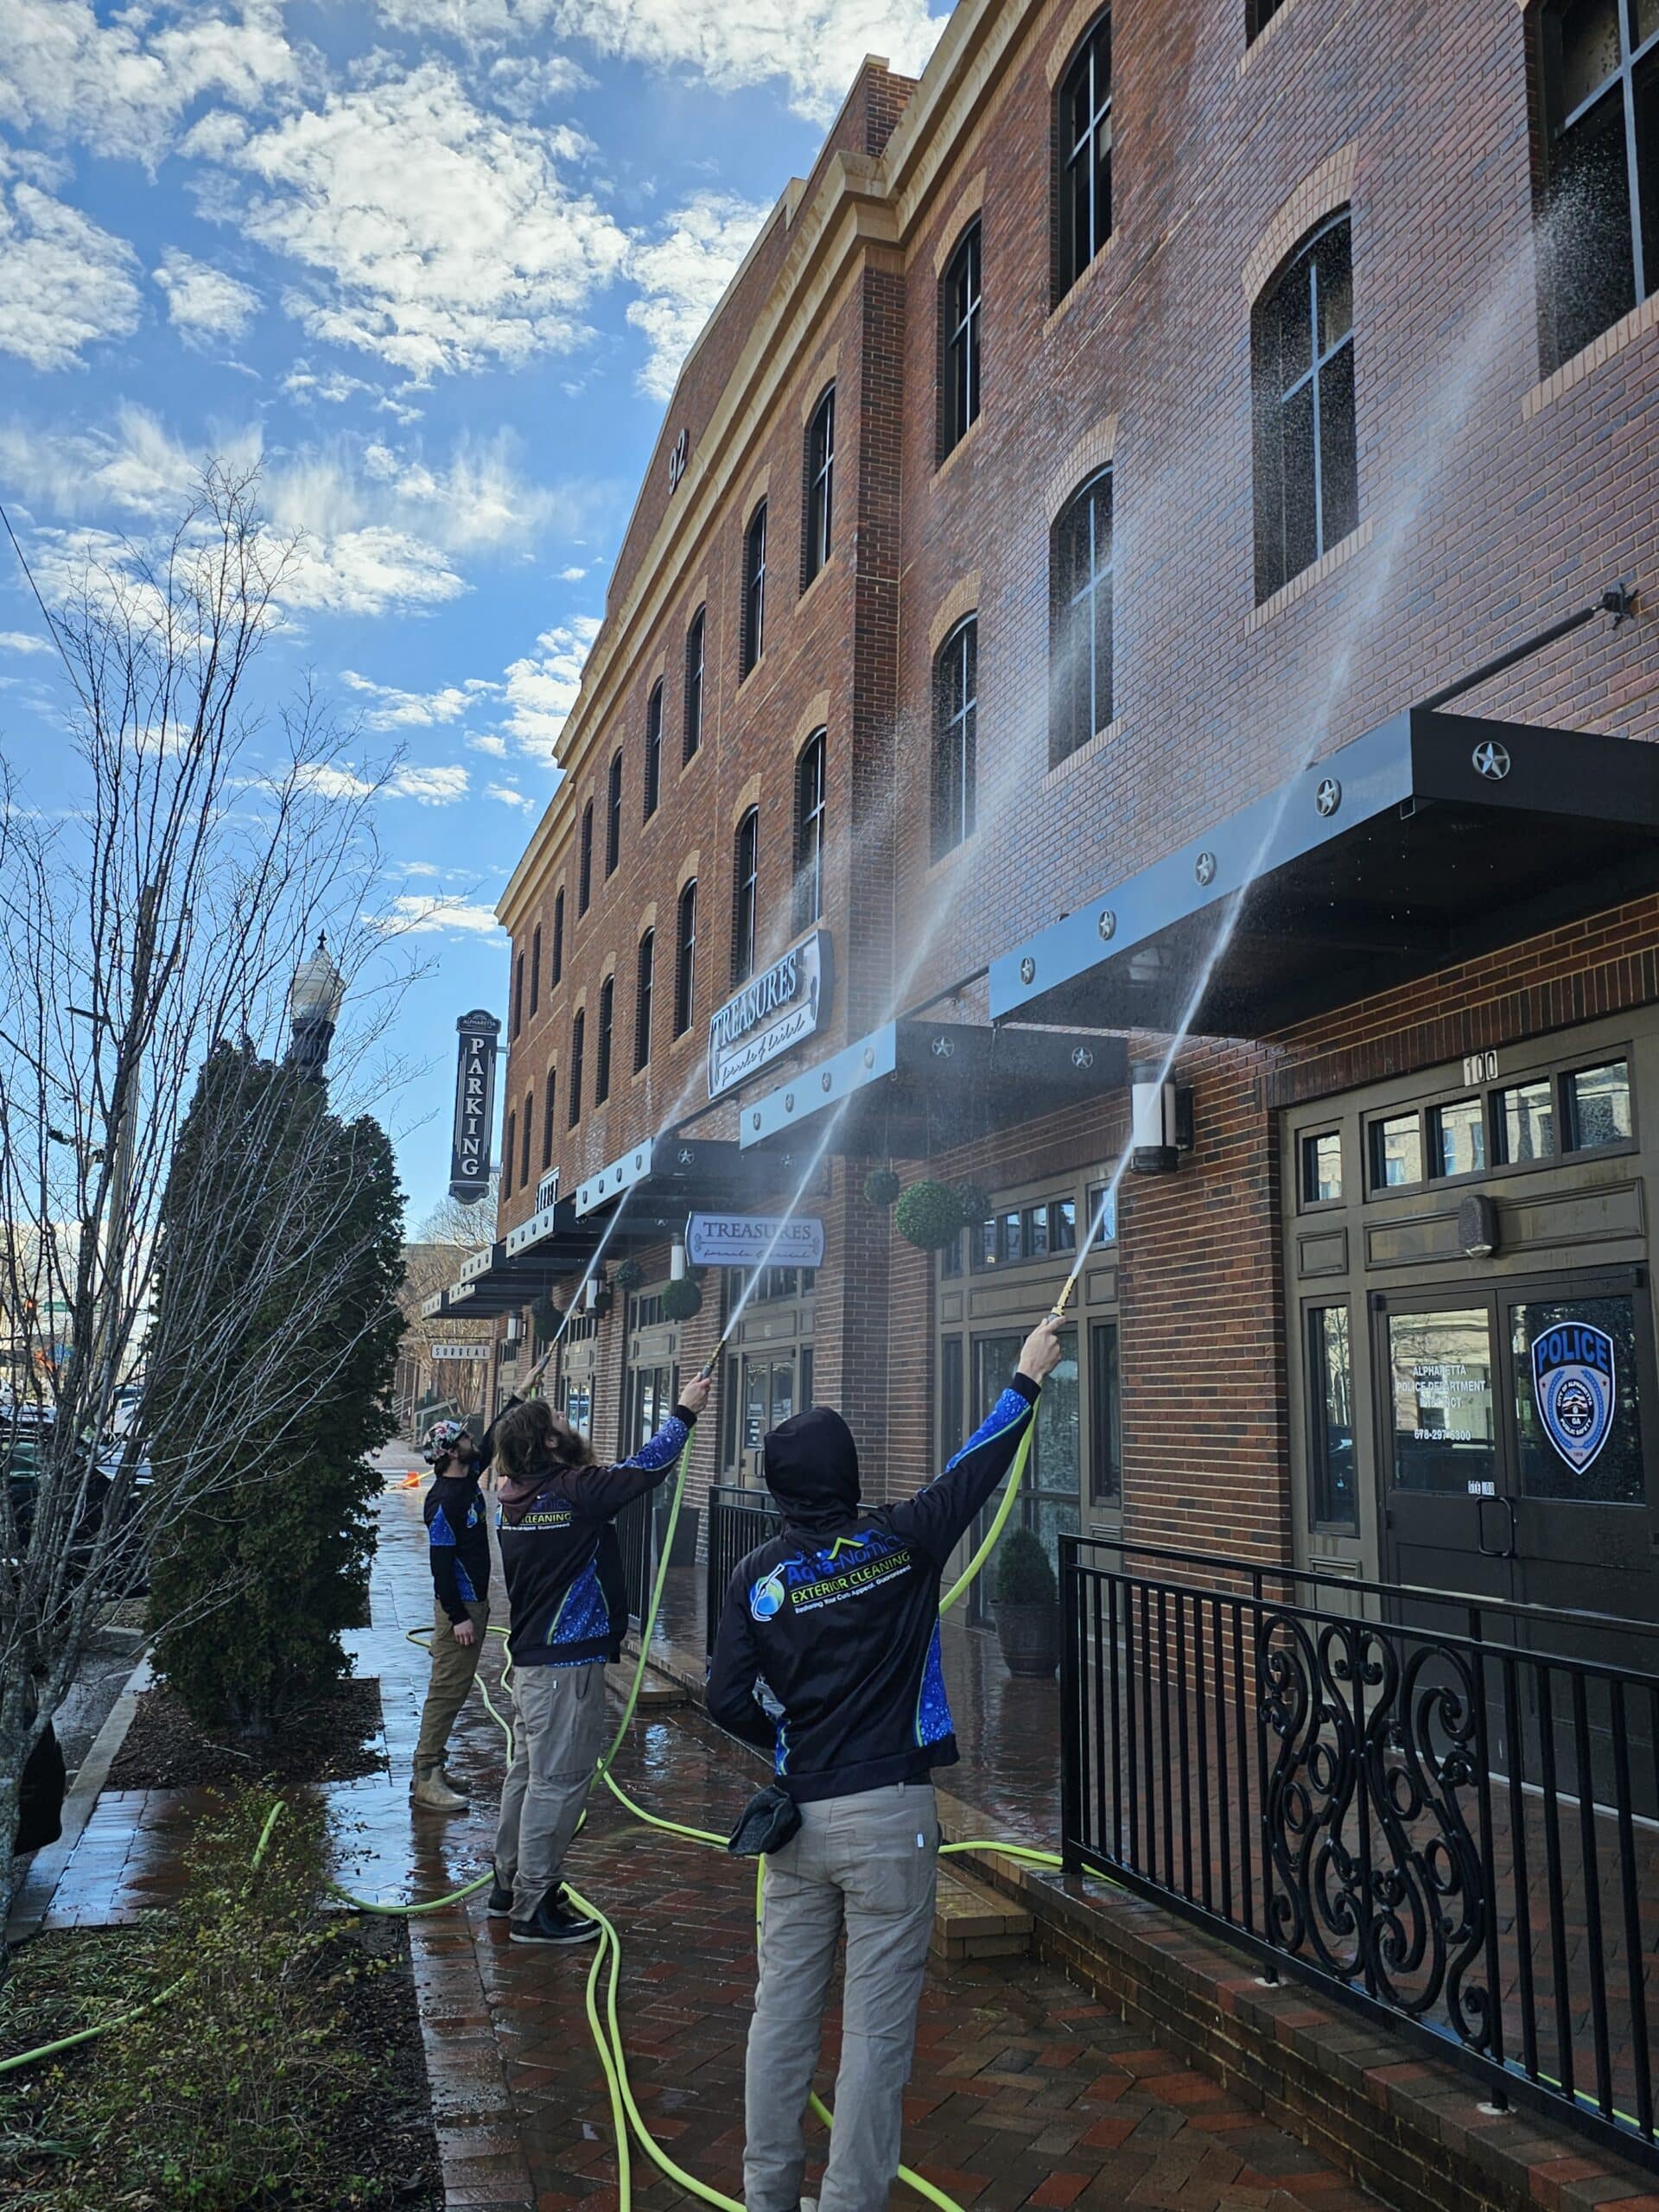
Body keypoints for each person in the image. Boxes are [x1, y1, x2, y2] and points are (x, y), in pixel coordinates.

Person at [707, 1316, 1065, 2212]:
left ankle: (766, 2196)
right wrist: (1025, 1376)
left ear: (780, 1489)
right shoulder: (903, 1544)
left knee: (781, 2017)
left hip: (799, 1820)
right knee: (875, 2035)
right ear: (851, 1474)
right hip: (891, 1818)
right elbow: (975, 1469)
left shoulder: (757, 1577)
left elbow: (724, 1699)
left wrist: (785, 1739)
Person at [488, 1370, 713, 1945]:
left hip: (534, 1661)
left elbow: (500, 1442)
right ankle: (533, 1906)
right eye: (558, 1419)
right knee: (559, 1782)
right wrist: (685, 1412)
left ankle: (507, 1882)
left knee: (528, 1773)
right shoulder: (570, 1491)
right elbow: (644, 1470)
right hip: (565, 1667)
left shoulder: (509, 1494)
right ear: (548, 1444)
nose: (568, 1418)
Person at [411, 1417, 491, 1814]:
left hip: (474, 1605)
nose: (470, 1440)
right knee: (446, 1690)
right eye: (463, 1438)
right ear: (449, 1453)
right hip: (460, 1609)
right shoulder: (444, 1501)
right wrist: (458, 1615)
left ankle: (433, 1765)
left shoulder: (468, 1478)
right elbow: (440, 1567)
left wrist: (518, 1396)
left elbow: (490, 1444)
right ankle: (426, 1776)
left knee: (455, 1690)